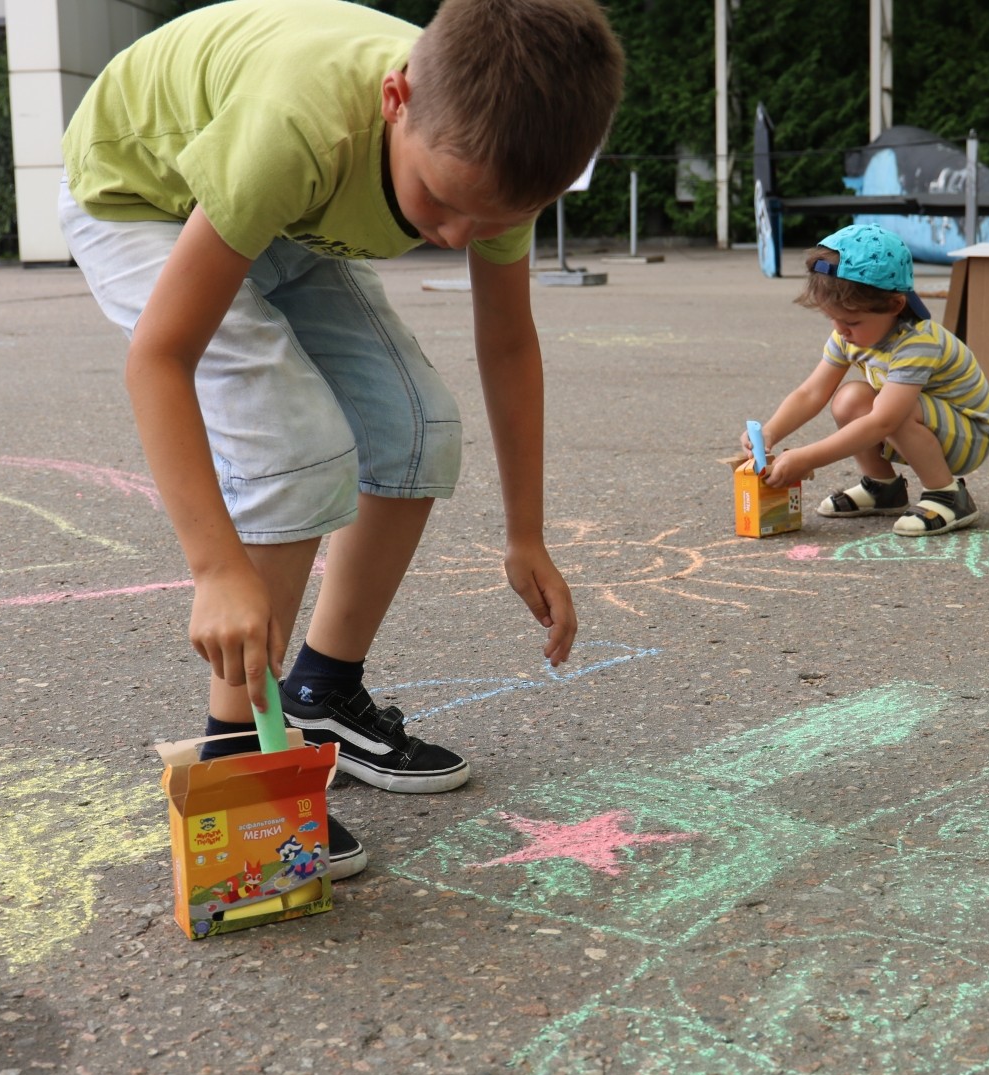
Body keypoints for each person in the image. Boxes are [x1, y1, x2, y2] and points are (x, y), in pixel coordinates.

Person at [59, 0, 624, 879]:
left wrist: (526, 535)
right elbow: (161, 357)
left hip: (283, 217)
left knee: (415, 432)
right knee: (297, 445)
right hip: (146, 197)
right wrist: (217, 569)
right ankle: (237, 759)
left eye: (493, 219)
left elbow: (508, 344)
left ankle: (320, 691)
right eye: (439, 201)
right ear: (396, 98)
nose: (452, 237)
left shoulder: (497, 151)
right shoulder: (301, 126)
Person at [742, 224, 989, 537]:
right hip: (921, 423)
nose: (840, 329)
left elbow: (883, 422)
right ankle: (882, 487)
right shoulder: (848, 334)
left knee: (891, 410)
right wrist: (771, 431)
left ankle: (947, 494)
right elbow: (811, 392)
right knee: (849, 398)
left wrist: (807, 458)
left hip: (968, 436)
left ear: (894, 306)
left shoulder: (916, 342)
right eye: (832, 318)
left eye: (851, 321)